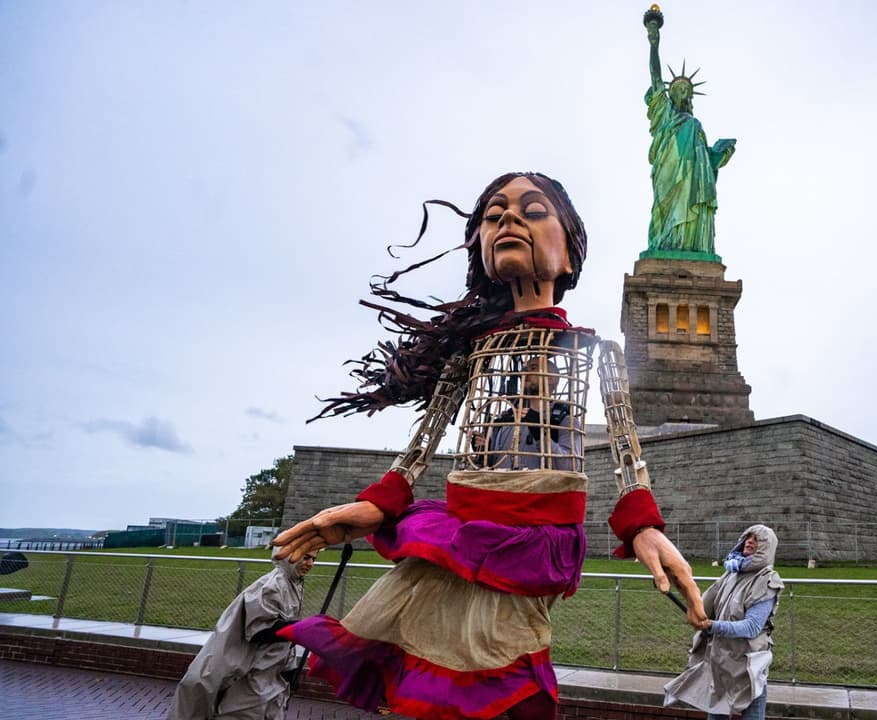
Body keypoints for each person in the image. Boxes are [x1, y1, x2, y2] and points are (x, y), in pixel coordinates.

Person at [272, 172, 706, 720]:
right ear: (478, 244)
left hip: (534, 537)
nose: (508, 219)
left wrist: (643, 525)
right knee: (425, 682)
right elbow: (421, 445)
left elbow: (626, 448)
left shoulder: (597, 352)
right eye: (494, 213)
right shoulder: (469, 355)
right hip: (457, 528)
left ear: (569, 256)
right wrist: (379, 502)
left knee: (509, 684)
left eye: (533, 210)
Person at [167, 551, 315, 720]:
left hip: (267, 679)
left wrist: (289, 669)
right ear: (289, 555)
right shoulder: (272, 586)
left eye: (314, 559)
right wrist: (301, 628)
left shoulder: (292, 585)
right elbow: (259, 631)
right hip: (250, 679)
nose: (310, 564)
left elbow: (283, 641)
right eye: (306, 557)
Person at [643, 6, 736, 257]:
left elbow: (705, 162)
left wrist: (718, 155)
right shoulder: (665, 114)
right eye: (678, 89)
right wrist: (654, 43)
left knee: (690, 210)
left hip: (692, 180)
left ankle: (690, 245)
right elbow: (655, 78)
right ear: (670, 93)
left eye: (687, 90)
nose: (682, 93)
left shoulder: (695, 126)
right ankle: (667, 244)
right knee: (665, 213)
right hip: (669, 173)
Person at [664, 525, 783, 720]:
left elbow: (752, 627)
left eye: (757, 539)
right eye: (748, 537)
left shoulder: (767, 580)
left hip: (748, 669)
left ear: (766, 548)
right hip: (720, 664)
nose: (750, 541)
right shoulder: (731, 574)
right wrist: (675, 580)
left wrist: (713, 626)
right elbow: (702, 605)